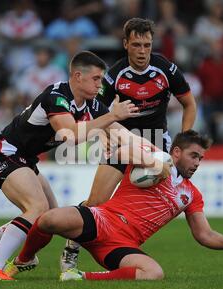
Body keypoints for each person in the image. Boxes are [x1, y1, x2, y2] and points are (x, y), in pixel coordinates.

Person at [0, 51, 143, 281]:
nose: (100, 85)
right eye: (96, 79)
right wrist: (111, 117)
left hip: (25, 159)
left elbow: (123, 135)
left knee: (47, 220)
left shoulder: (92, 105)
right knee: (36, 207)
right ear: (78, 76)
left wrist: (157, 158)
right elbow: (70, 135)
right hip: (4, 153)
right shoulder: (56, 96)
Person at [5, 130, 223, 281]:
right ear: (176, 152)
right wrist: (153, 163)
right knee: (48, 219)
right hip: (101, 219)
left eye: (201, 158)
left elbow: (205, 235)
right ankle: (24, 260)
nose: (198, 162)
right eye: (194, 156)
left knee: (154, 273)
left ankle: (79, 278)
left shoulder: (191, 195)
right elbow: (121, 151)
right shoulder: (152, 158)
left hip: (122, 245)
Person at [60, 17, 197, 272]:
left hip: (155, 147)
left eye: (147, 45)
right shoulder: (114, 75)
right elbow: (95, 109)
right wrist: (104, 137)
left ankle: (124, 251)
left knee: (147, 207)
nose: (142, 51)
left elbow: (190, 103)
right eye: (136, 45)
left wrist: (184, 139)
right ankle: (71, 248)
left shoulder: (166, 69)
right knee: (96, 202)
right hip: (122, 144)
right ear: (125, 44)